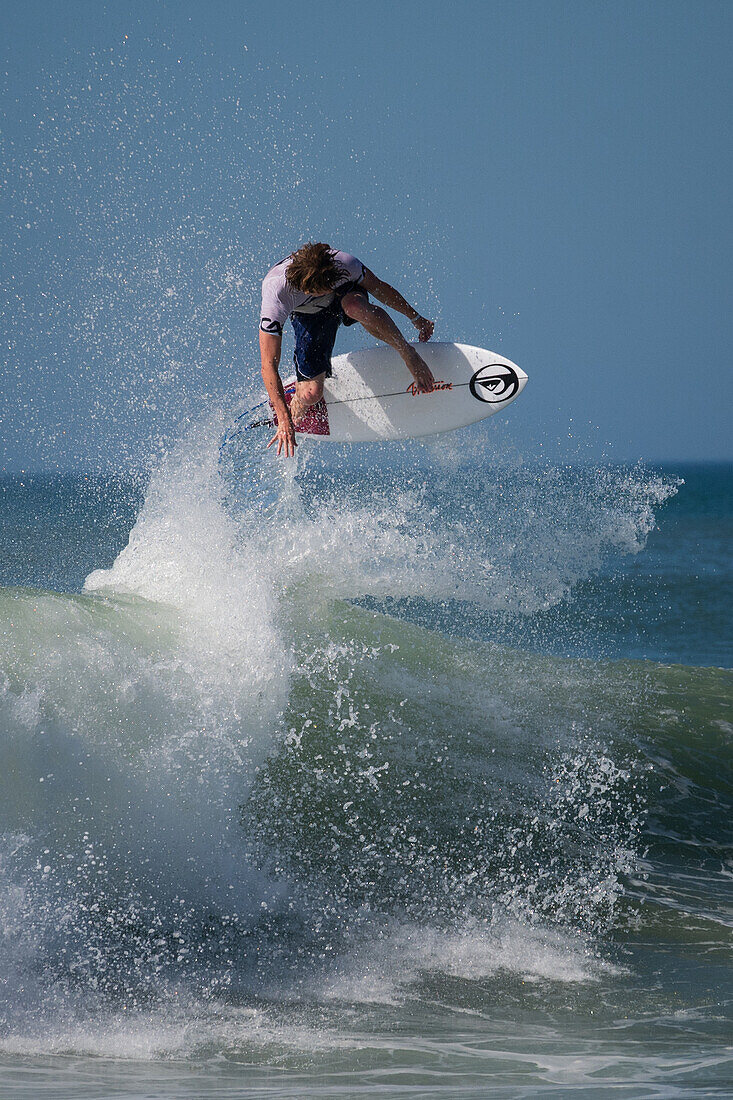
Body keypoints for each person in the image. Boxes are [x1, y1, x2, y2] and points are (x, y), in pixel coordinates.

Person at [259, 242, 436, 457]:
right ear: (310, 290)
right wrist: (283, 418)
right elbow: (269, 364)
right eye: (327, 289)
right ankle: (297, 399)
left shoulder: (343, 264)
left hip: (348, 295)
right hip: (309, 314)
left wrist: (416, 318)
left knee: (356, 306)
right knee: (311, 394)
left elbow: (380, 289)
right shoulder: (276, 293)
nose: (330, 290)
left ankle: (408, 354)